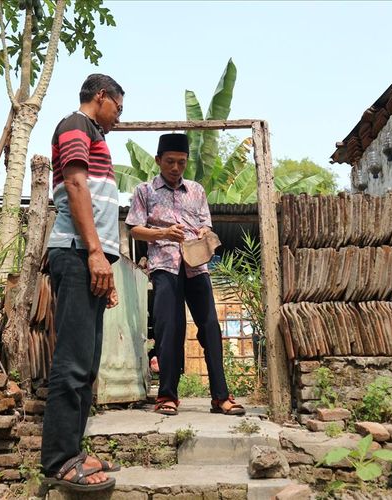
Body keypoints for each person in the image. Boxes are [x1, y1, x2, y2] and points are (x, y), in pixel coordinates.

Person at [40, 74, 124, 492]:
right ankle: (58, 460)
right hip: (75, 252)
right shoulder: (74, 125)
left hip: (89, 255)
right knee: (72, 362)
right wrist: (93, 252)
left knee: (87, 364)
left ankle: (73, 451)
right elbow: (74, 184)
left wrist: (104, 260)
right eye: (118, 109)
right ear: (101, 97)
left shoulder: (92, 133)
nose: (118, 119)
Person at [125, 133, 246, 417]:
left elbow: (205, 223)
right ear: (158, 161)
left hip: (196, 264)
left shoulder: (197, 190)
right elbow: (134, 228)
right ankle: (167, 395)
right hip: (164, 265)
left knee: (210, 327)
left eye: (181, 162)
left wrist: (204, 231)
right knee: (170, 329)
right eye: (170, 162)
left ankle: (221, 397)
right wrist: (163, 233)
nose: (175, 168)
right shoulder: (145, 190)